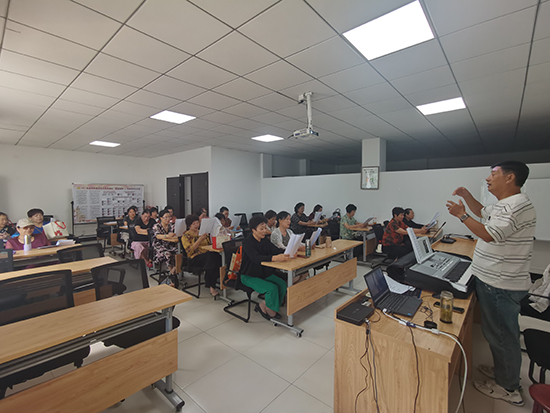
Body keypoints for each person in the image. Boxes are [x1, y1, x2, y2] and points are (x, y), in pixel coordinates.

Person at [446, 161, 536, 406]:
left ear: (510, 177)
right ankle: (503, 373)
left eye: (494, 174)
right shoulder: (504, 204)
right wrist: (467, 197)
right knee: (498, 332)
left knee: (502, 336)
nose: (488, 178)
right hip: (494, 279)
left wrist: (461, 215)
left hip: (500, 282)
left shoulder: (515, 206)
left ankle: (508, 388)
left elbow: (488, 234)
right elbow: (483, 213)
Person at [241, 216, 289, 320]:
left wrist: (289, 252)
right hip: (249, 275)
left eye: (265, 228)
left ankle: (265, 304)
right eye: (261, 229)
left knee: (282, 284)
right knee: (272, 288)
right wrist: (274, 258)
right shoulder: (247, 242)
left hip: (263, 273)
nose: (265, 231)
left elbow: (276, 250)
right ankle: (270, 310)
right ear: (253, 230)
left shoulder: (264, 240)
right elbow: (255, 258)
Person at [181, 214, 223, 297]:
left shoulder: (202, 233)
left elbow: (209, 245)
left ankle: (213, 282)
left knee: (217, 257)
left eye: (197, 223)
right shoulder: (186, 236)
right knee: (211, 259)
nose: (196, 225)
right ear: (189, 225)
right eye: (194, 224)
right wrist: (200, 239)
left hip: (206, 256)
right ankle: (211, 285)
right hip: (194, 258)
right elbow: (190, 250)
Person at [270, 211, 307, 283]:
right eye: (287, 219)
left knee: (305, 273)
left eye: (289, 219)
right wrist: (297, 248)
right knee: (296, 276)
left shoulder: (289, 231)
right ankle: (287, 288)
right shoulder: (275, 233)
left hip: (291, 258)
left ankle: (295, 288)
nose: (289, 221)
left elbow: (298, 243)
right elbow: (281, 247)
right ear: (280, 220)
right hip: (280, 260)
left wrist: (307, 245)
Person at [152, 209, 179, 282]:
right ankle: (173, 275)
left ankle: (173, 272)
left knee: (179, 253)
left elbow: (176, 234)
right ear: (161, 218)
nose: (168, 219)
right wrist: (166, 236)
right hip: (159, 247)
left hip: (169, 246)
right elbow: (158, 236)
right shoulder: (157, 226)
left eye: (169, 217)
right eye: (165, 217)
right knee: (168, 254)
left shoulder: (171, 226)